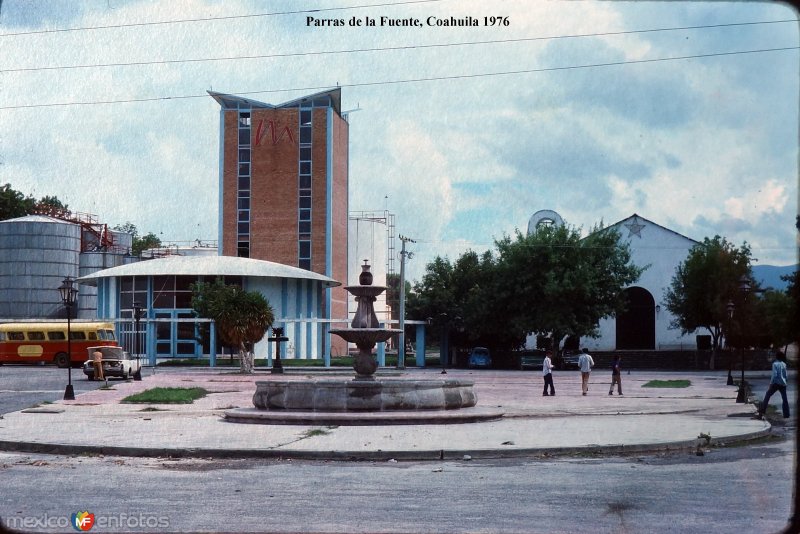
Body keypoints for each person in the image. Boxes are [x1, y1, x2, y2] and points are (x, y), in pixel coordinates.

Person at [758, 351, 790, 419]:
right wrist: (785, 381)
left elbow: (774, 375)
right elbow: (786, 375)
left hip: (776, 383)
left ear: (776, 357)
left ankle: (763, 410)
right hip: (783, 384)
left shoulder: (775, 364)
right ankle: (786, 414)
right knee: (784, 398)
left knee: (768, 395)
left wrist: (771, 384)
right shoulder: (784, 364)